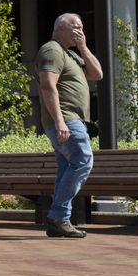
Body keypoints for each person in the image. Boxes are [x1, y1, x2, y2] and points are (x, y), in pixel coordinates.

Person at [37, 13, 103, 238]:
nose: (80, 31)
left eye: (82, 28)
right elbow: (48, 86)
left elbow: (97, 74)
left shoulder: (72, 55)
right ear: (60, 28)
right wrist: (60, 121)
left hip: (72, 121)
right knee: (83, 160)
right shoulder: (52, 49)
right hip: (66, 119)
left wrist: (83, 47)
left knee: (68, 167)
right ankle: (58, 217)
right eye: (75, 27)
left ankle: (59, 221)